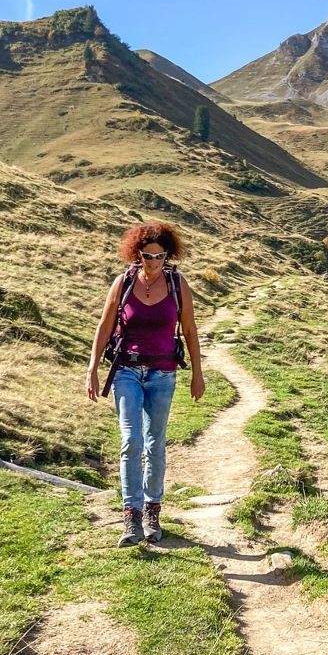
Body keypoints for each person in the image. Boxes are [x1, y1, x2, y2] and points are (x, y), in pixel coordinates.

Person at [86, 221, 205, 547]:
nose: (153, 263)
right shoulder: (123, 282)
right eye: (147, 257)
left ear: (168, 255)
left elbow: (190, 331)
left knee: (155, 443)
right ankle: (131, 517)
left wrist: (198, 372)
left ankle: (153, 512)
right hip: (127, 371)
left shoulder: (177, 283)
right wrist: (92, 368)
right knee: (131, 441)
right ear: (136, 254)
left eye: (159, 257)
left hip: (163, 374)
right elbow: (104, 326)